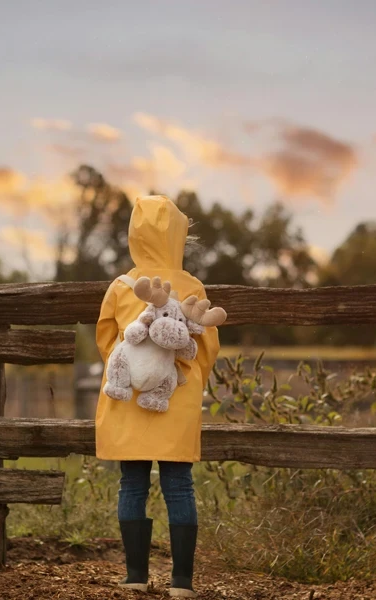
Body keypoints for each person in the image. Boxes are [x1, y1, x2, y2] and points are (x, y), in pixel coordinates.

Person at [95, 195, 221, 598]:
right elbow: (207, 348)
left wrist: (131, 372)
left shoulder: (120, 286)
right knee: (179, 484)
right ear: (177, 236)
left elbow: (105, 339)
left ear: (136, 234)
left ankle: (134, 576)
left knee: (131, 484)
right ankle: (182, 583)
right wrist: (189, 374)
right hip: (176, 398)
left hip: (127, 396)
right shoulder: (191, 286)